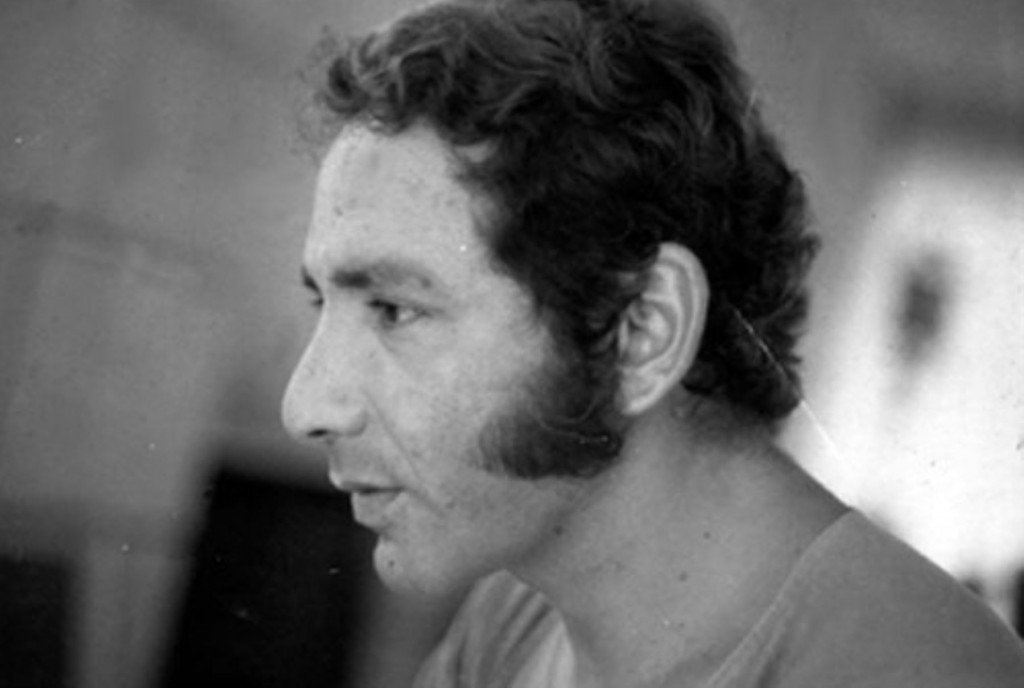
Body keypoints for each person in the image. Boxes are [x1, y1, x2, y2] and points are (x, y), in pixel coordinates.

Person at [281, 0, 1024, 685]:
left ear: (644, 330)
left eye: (394, 310)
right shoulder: (515, 617)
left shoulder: (912, 670)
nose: (305, 406)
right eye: (323, 302)